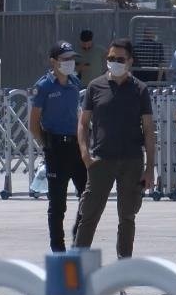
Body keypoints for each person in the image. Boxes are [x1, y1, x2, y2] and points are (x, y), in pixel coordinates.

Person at [74, 38, 155, 259]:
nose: (114, 62)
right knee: (89, 215)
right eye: (111, 58)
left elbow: (148, 129)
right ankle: (75, 265)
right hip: (101, 160)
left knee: (127, 217)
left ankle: (124, 267)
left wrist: (149, 169)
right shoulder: (95, 86)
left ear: (130, 61)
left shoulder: (140, 89)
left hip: (131, 161)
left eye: (120, 59)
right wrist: (85, 153)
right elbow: (83, 124)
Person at [30, 41, 87, 252]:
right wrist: (45, 144)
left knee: (87, 197)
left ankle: (78, 240)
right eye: (65, 59)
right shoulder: (44, 86)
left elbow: (78, 113)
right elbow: (34, 122)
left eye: (72, 59)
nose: (70, 63)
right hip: (56, 148)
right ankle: (58, 249)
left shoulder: (74, 83)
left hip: (76, 147)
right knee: (58, 204)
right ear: (53, 62)